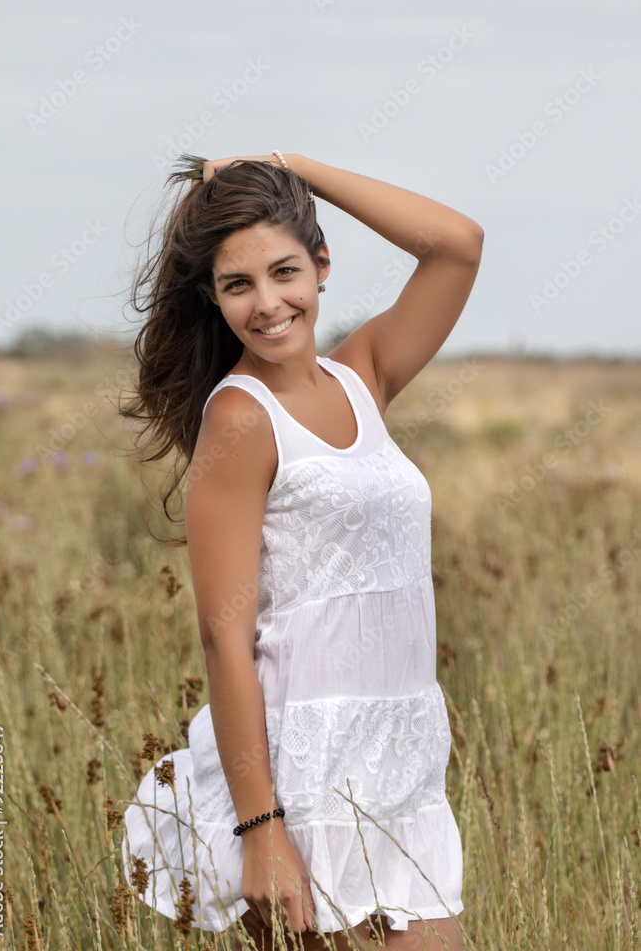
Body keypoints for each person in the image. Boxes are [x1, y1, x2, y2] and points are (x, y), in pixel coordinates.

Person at [122, 151, 484, 951]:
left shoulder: (363, 376)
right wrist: (261, 828)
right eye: (237, 285)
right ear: (212, 298)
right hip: (298, 767)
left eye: (285, 271)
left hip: (396, 758)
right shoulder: (240, 419)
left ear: (321, 264)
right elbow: (225, 634)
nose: (267, 304)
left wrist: (292, 166)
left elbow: (456, 244)